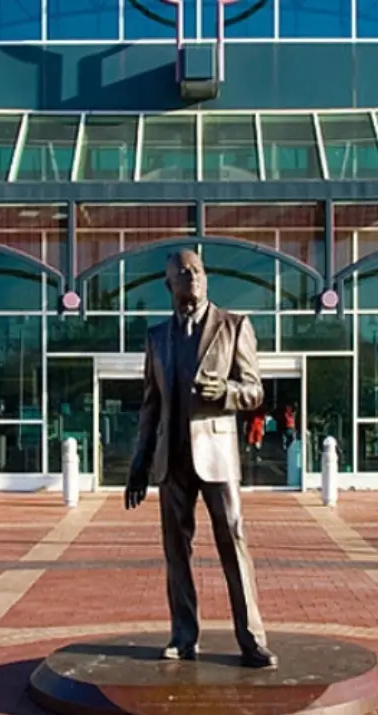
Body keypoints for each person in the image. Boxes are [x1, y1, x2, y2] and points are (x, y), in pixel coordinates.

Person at [125, 248, 277, 669]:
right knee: (176, 553)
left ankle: (252, 639)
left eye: (197, 271)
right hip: (171, 460)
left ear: (206, 277)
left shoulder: (234, 326)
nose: (191, 277)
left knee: (234, 544)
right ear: (168, 284)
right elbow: (149, 406)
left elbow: (255, 390)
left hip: (216, 457)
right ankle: (183, 635)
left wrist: (226, 394)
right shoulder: (156, 338)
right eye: (182, 273)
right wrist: (139, 463)